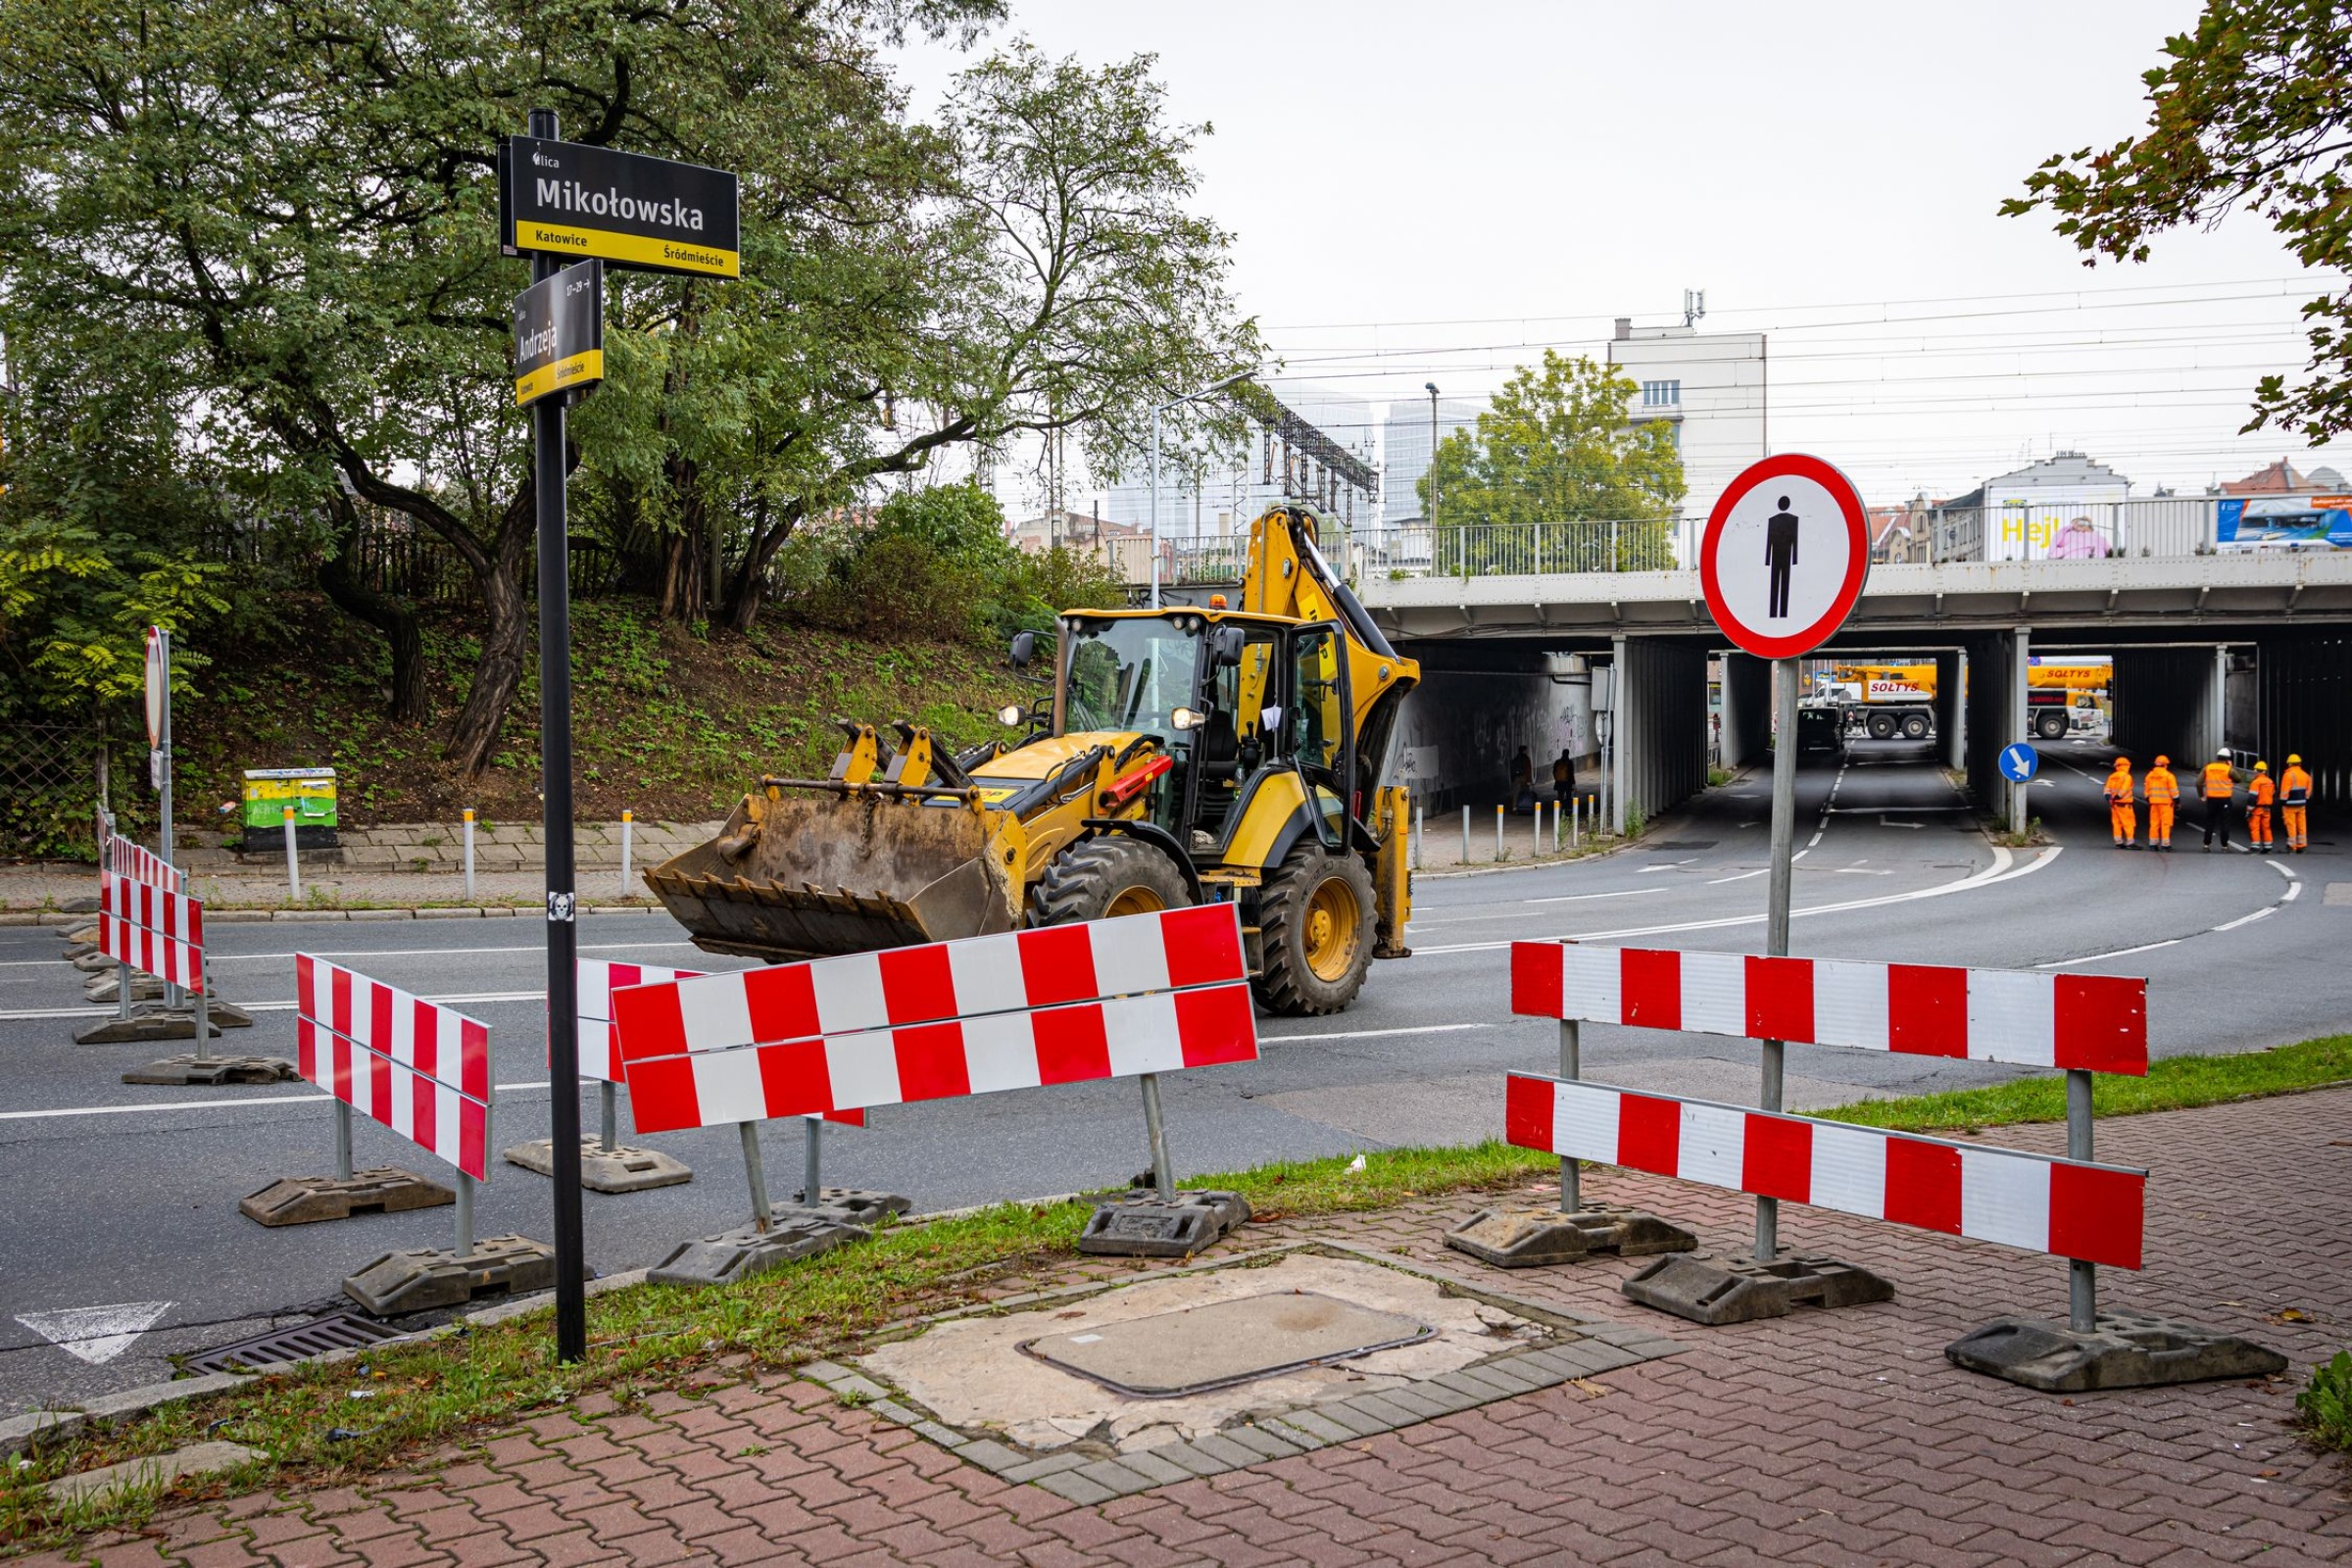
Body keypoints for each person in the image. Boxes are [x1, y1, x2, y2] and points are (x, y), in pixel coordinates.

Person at [2200, 748, 2236, 852]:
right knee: (2224, 822)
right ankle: (2224, 846)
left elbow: (2198, 782)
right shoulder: (2228, 769)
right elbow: (2238, 779)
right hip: (2225, 799)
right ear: (2228, 758)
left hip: (2211, 799)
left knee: (2210, 821)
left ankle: (2206, 845)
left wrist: (2201, 795)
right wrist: (2231, 767)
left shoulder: (2208, 768)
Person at [2144, 755, 2179, 851]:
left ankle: (2153, 844)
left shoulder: (2150, 775)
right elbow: (2174, 791)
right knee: (2165, 824)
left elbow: (2147, 790)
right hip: (2166, 804)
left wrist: (2148, 799)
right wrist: (2177, 801)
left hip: (2154, 803)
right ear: (2165, 765)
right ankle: (2165, 844)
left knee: (2154, 823)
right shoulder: (2169, 776)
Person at [2103, 756, 2138, 849]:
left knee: (2116, 822)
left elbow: (2107, 789)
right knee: (2128, 823)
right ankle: (2130, 842)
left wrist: (2109, 798)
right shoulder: (2127, 777)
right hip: (2124, 803)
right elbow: (2124, 790)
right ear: (2126, 766)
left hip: (2114, 804)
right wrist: (2116, 797)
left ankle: (2118, 842)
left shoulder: (2112, 776)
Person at [2281, 753, 2313, 853]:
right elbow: (2308, 791)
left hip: (2290, 804)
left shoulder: (2288, 775)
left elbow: (2285, 791)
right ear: (2299, 764)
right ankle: (2302, 845)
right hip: (2302, 804)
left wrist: (2283, 802)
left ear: (2290, 764)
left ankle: (2292, 846)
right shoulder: (2306, 775)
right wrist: (2305, 799)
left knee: (2291, 825)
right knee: (2302, 824)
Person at [2247, 760, 2276, 850]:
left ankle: (2255, 846)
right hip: (2267, 808)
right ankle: (2268, 847)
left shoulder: (2256, 782)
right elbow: (2272, 793)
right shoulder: (2270, 782)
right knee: (2266, 827)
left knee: (2255, 827)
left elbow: (2252, 797)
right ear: (2264, 771)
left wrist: (2249, 810)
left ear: (2256, 770)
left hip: (2257, 808)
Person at [1509, 745, 1535, 813]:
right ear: (1525, 751)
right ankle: (1526, 807)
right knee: (1526, 792)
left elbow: (1512, 769)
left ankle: (1514, 807)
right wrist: (1529, 781)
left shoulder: (1516, 758)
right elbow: (1528, 770)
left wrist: (1513, 779)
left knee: (1516, 793)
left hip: (1516, 778)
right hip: (1524, 777)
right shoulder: (1526, 759)